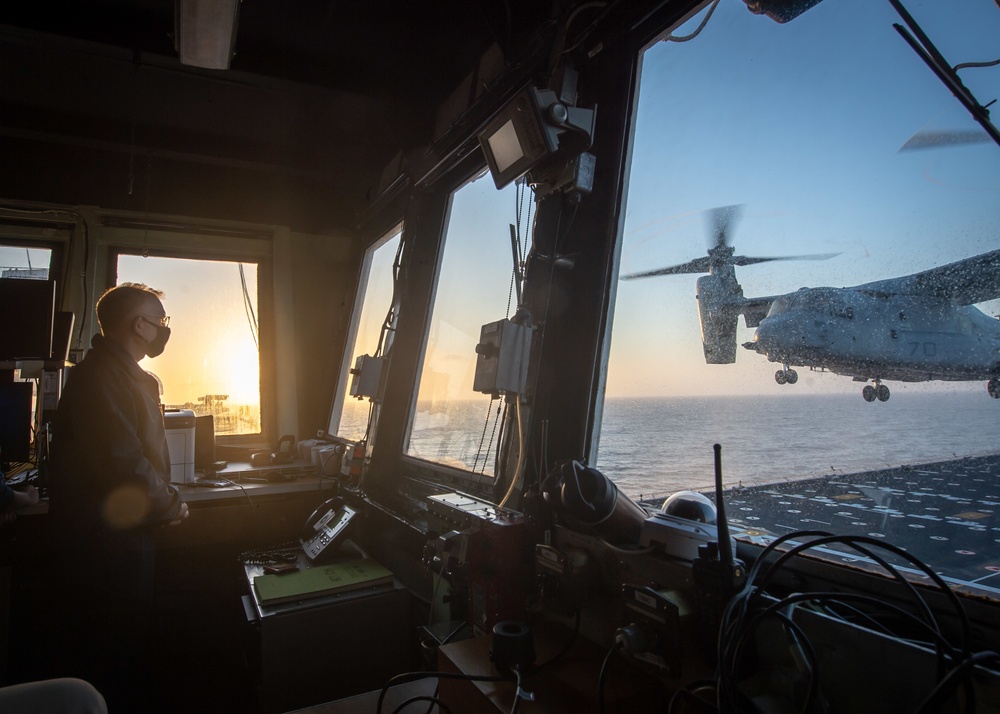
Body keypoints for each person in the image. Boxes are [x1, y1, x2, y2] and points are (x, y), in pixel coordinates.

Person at [48, 283, 189, 710]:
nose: (163, 330)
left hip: (118, 536)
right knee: (112, 654)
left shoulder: (116, 372)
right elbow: (123, 462)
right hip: (106, 545)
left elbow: (135, 456)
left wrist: (166, 495)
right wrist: (168, 503)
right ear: (140, 325)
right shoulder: (102, 377)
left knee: (122, 646)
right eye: (160, 321)